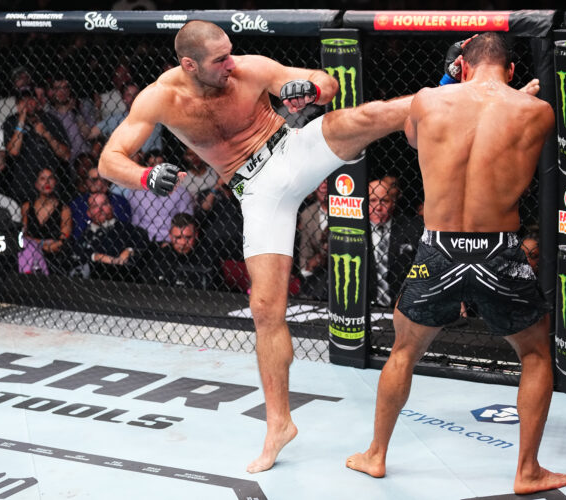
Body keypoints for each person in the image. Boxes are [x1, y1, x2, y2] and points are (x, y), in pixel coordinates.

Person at [97, 20, 413, 473]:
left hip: (291, 150)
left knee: (364, 117)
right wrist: (145, 177)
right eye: (219, 59)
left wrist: (309, 88)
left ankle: (449, 97)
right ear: (189, 65)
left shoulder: (250, 69)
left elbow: (328, 84)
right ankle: (279, 424)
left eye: (230, 52)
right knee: (266, 308)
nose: (231, 62)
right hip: (257, 191)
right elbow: (110, 161)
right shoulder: (159, 98)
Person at [346, 33, 566, 495]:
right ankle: (527, 471)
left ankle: (375, 455)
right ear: (511, 71)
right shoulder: (538, 111)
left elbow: (413, 136)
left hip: (439, 250)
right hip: (499, 252)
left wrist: (449, 80)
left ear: (462, 66)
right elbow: (501, 122)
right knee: (534, 354)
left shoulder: (429, 101)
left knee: (404, 351)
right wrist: (519, 93)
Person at [3, 87, 71, 203]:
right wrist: (21, 120)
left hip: (50, 186)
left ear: (37, 101)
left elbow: (66, 155)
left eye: (31, 99)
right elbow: (13, 152)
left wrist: (46, 134)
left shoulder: (50, 120)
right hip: (23, 186)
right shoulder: (11, 122)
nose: (28, 103)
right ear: (17, 104)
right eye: (23, 100)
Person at [368, 177, 422, 307]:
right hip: (364, 305)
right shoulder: (354, 229)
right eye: (372, 200)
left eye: (384, 201)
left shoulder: (413, 227)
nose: (378, 207)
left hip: (405, 304)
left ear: (393, 202)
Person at [72, 192, 148, 282]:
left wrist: (130, 250)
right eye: (95, 206)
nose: (100, 209)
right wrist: (96, 256)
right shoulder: (85, 234)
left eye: (104, 204)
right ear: (89, 213)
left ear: (112, 207)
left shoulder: (127, 229)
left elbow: (143, 245)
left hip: (124, 280)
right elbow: (75, 255)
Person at [142, 212, 220, 290]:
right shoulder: (161, 256)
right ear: (170, 236)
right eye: (178, 237)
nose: (183, 242)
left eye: (188, 237)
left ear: (196, 235)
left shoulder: (208, 256)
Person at [18, 168, 72, 275]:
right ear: (36, 184)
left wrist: (34, 243)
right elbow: (22, 237)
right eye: (42, 179)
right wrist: (45, 243)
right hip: (30, 258)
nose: (47, 182)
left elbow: (63, 240)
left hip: (55, 259)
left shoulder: (64, 209)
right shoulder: (27, 207)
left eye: (50, 178)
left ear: (55, 182)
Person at [69, 167, 131, 240]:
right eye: (94, 180)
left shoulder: (120, 201)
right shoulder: (77, 204)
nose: (100, 183)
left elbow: (123, 229)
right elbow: (78, 233)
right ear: (86, 182)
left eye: (104, 179)